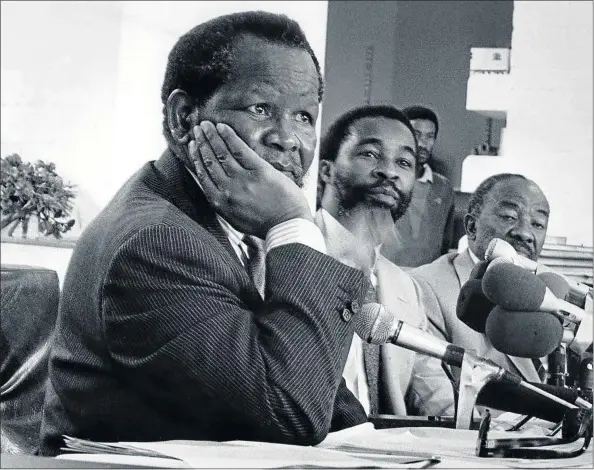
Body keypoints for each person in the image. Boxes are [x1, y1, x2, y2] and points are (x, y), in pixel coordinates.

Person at [39, 11, 371, 456]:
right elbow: (291, 410)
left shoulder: (222, 227)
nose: (289, 139)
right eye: (260, 109)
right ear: (183, 119)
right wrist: (293, 224)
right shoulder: (155, 243)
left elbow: (330, 402)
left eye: (305, 117)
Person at [316, 105, 455, 417]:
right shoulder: (282, 255)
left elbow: (435, 392)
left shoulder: (404, 287)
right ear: (327, 170)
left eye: (404, 162)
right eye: (369, 155)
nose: (390, 171)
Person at [408, 173, 551, 415]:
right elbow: (437, 401)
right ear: (472, 227)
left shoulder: (550, 292)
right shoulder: (426, 286)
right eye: (509, 216)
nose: (525, 233)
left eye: (537, 224)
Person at [381, 105, 455, 268]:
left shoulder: (443, 188)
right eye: (417, 134)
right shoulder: (384, 180)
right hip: (385, 273)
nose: (423, 143)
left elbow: (445, 243)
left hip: (426, 280)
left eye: (430, 136)